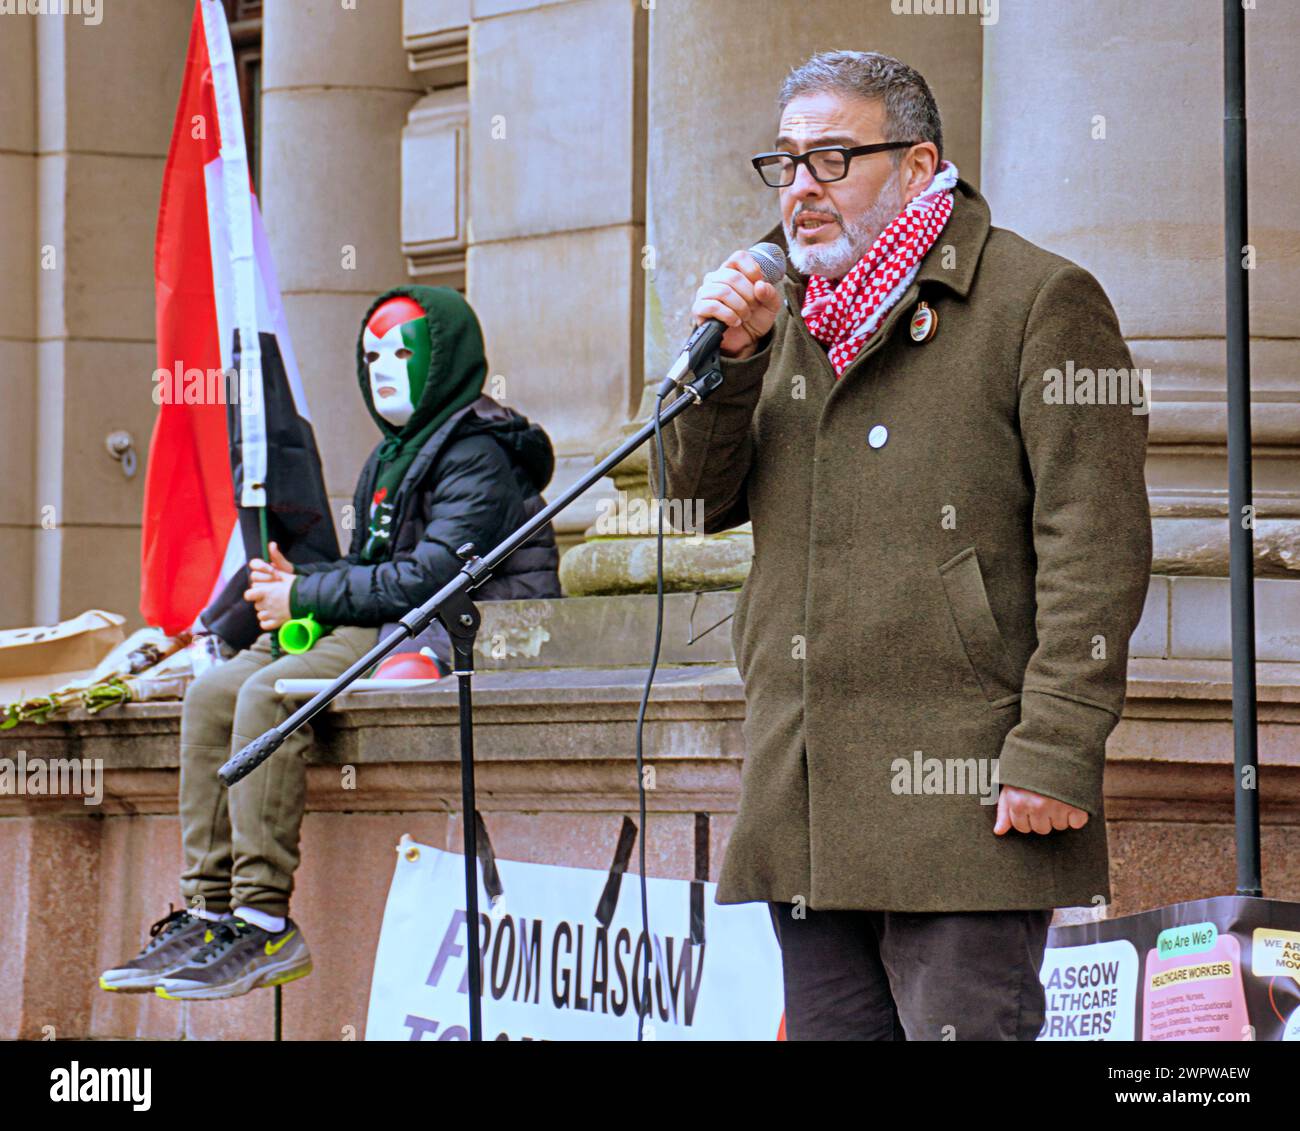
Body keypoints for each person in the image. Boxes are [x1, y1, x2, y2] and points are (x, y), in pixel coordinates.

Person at [654, 51, 1152, 1040]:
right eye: (786, 162)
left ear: (918, 166)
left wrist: (1054, 747)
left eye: (832, 159)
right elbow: (685, 503)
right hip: (806, 795)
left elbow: (1093, 547)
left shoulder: (1037, 300)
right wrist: (730, 367)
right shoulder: (777, 314)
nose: (799, 189)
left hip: (965, 800)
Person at [100, 286, 562, 1001]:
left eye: (403, 352)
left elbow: (432, 579)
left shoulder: (478, 451)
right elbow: (377, 568)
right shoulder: (394, 453)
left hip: (451, 630)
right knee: (214, 692)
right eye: (371, 353)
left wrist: (306, 595)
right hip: (387, 618)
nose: (381, 368)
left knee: (270, 695)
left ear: (445, 360)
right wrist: (300, 582)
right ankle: (209, 908)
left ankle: (263, 920)